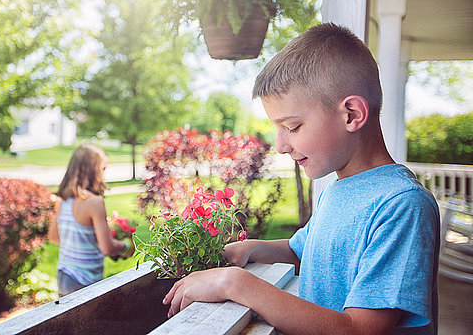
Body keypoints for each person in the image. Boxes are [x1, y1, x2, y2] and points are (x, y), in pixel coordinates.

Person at [163, 23, 440, 334]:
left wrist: (235, 283)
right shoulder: (337, 191)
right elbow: (301, 251)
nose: (281, 146)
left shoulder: (402, 206)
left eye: (292, 127)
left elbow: (359, 329)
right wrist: (251, 249)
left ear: (351, 114)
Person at [48, 143, 134, 296]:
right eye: (103, 169)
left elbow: (54, 237)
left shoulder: (63, 200)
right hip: (84, 280)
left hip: (64, 276)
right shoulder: (94, 202)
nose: (104, 174)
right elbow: (107, 248)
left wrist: (84, 240)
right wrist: (126, 246)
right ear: (94, 170)